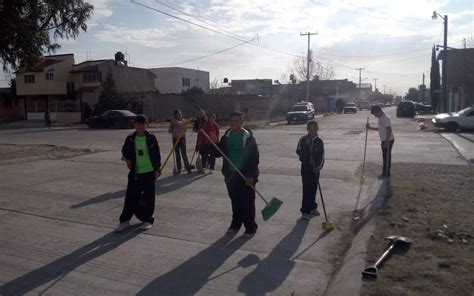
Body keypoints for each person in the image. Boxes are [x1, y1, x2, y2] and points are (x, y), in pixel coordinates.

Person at [210, 111, 259, 237]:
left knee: (247, 202)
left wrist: (251, 176)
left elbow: (254, 159)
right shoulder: (226, 137)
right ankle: (236, 224)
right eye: (231, 121)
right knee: (235, 201)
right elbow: (218, 154)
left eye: (237, 120)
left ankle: (250, 227)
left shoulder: (249, 138)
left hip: (245, 175)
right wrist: (214, 143)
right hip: (231, 175)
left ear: (242, 122)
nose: (234, 123)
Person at [115, 115, 161, 232]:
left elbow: (156, 154)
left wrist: (158, 169)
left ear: (147, 125)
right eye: (138, 124)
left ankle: (147, 220)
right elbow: (124, 152)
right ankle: (124, 221)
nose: (140, 126)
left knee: (149, 197)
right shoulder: (130, 139)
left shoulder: (151, 138)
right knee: (130, 197)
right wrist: (127, 160)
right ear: (134, 125)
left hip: (149, 172)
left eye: (143, 124)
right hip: (135, 173)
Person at [296, 120, 324, 220]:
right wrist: (306, 146)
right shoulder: (303, 139)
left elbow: (322, 156)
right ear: (307, 129)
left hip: (315, 169)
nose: (312, 130)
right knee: (306, 189)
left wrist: (318, 168)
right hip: (306, 168)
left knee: (313, 188)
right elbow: (298, 152)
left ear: (317, 129)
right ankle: (305, 210)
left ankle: (312, 207)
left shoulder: (319, 141)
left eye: (314, 128)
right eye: (310, 128)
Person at [366, 105, 395, 178]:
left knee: (386, 156)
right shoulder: (380, 118)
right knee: (385, 156)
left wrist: (386, 141)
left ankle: (386, 172)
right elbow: (380, 129)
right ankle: (385, 171)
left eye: (375, 114)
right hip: (384, 140)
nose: (375, 116)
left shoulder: (385, 118)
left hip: (388, 140)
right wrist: (370, 128)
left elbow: (389, 130)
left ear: (379, 111)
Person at [168, 110, 191, 174]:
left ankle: (187, 168)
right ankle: (179, 168)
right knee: (177, 154)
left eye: (180, 114)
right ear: (175, 115)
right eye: (177, 115)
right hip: (175, 139)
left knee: (184, 154)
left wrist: (174, 121)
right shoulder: (173, 122)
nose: (179, 116)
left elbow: (181, 125)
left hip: (182, 139)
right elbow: (169, 131)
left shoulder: (183, 121)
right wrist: (171, 126)